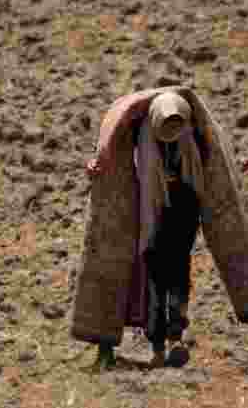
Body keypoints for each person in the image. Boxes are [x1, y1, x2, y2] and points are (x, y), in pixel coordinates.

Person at [86, 92, 204, 370]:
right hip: (151, 214)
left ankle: (175, 338)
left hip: (182, 213)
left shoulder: (191, 136)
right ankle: (159, 346)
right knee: (156, 283)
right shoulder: (141, 132)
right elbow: (114, 155)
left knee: (178, 277)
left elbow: (210, 169)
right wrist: (97, 165)